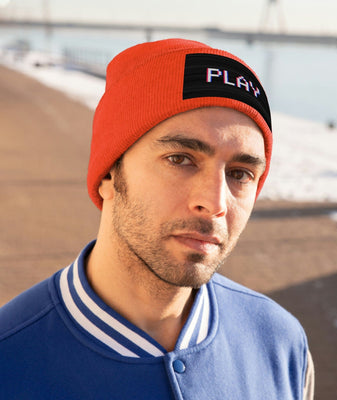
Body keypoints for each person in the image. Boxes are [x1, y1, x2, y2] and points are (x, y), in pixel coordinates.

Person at [0, 38, 314, 399]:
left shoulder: (281, 343)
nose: (215, 203)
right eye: (180, 159)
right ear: (108, 174)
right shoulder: (10, 357)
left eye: (240, 174)